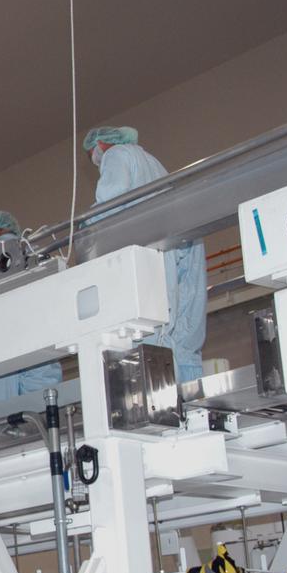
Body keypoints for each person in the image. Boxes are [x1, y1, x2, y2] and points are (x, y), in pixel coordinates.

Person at [83, 126, 207, 382]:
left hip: (149, 250)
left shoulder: (116, 155)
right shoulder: (153, 162)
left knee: (151, 324)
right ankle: (185, 388)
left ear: (101, 145)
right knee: (174, 326)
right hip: (172, 247)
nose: (94, 160)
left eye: (92, 154)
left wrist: (87, 231)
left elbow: (109, 203)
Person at [0, 209, 63, 405]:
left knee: (2, 409)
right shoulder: (33, 251)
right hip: (38, 333)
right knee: (45, 399)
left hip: (0, 339)